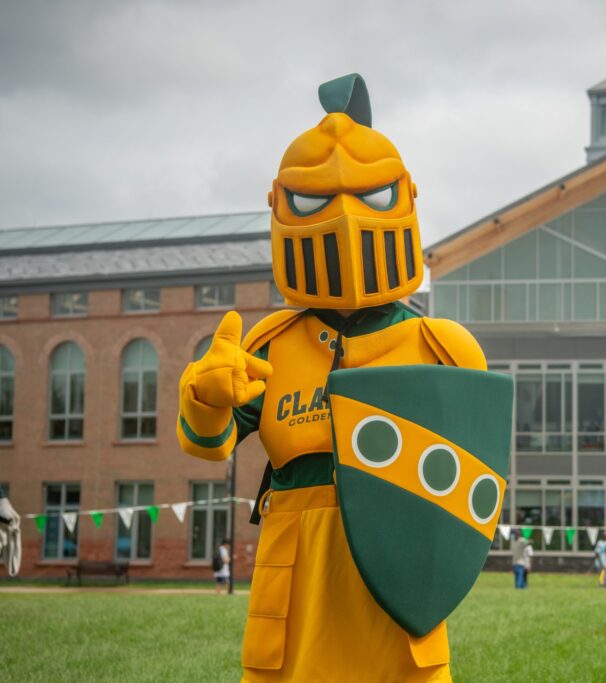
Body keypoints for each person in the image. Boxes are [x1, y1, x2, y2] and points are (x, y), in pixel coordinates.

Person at [176, 74, 502, 682]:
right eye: (315, 201)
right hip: (295, 595)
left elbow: (472, 495)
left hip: (400, 598)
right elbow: (207, 444)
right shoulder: (268, 345)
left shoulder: (442, 347)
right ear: (279, 204)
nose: (346, 221)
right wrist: (204, 396)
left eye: (371, 198)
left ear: (405, 196)